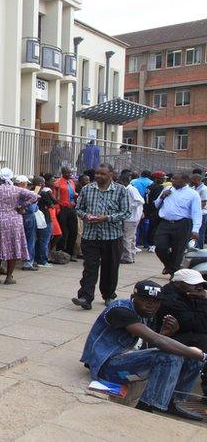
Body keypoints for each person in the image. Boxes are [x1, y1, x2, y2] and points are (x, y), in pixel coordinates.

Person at [80, 280, 205, 420]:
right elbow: (157, 342)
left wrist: (164, 334)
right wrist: (202, 355)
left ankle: (172, 401)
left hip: (128, 364)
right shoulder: (119, 310)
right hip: (107, 367)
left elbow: (148, 348)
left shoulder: (146, 314)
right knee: (171, 357)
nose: (150, 305)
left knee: (190, 359)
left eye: (156, 301)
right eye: (145, 299)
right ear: (133, 298)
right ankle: (145, 407)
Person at [71, 164, 130, 310]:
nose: (98, 176)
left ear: (111, 174)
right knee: (90, 267)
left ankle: (109, 295)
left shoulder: (120, 190)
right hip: (90, 236)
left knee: (110, 267)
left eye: (102, 174)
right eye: (97, 173)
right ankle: (85, 297)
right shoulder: (87, 189)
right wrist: (86, 216)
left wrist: (107, 218)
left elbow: (126, 212)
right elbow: (78, 209)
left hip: (112, 236)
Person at [154, 269, 207, 397]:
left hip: (187, 334)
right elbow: (200, 325)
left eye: (200, 284)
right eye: (193, 284)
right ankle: (178, 398)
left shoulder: (189, 294)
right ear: (178, 284)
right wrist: (204, 300)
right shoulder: (170, 299)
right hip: (170, 337)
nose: (199, 287)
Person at [0, 172, 38, 284]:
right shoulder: (17, 189)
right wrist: (22, 206)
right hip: (15, 220)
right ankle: (8, 277)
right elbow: (35, 196)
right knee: (13, 248)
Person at [154, 170, 200, 276]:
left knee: (178, 250)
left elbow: (196, 213)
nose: (173, 181)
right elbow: (156, 205)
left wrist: (196, 229)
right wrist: (162, 196)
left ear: (185, 180)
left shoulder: (193, 194)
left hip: (182, 224)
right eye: (172, 179)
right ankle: (170, 266)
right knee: (160, 247)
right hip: (165, 223)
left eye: (176, 179)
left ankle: (174, 273)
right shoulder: (167, 189)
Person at [31, 176, 56, 268]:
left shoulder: (31, 192)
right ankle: (42, 260)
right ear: (40, 184)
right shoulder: (44, 193)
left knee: (36, 240)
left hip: (34, 218)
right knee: (44, 240)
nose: (44, 184)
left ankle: (35, 259)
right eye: (43, 183)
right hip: (44, 218)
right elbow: (52, 205)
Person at [16, 176, 40, 271]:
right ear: (22, 183)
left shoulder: (14, 191)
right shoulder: (26, 193)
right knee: (30, 240)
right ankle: (27, 263)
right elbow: (32, 209)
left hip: (18, 217)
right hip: (28, 217)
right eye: (26, 183)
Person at [119, 172, 144, 265]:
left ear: (124, 182)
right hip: (131, 217)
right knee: (132, 237)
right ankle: (131, 255)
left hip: (131, 217)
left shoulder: (131, 189)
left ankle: (127, 257)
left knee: (126, 238)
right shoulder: (127, 189)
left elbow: (140, 201)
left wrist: (128, 206)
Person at [54, 167, 79, 261]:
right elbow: (55, 197)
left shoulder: (71, 182)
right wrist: (58, 210)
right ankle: (60, 252)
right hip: (63, 209)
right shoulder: (57, 183)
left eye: (71, 173)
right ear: (63, 173)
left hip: (72, 208)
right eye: (68, 173)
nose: (70, 174)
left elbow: (72, 193)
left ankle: (70, 253)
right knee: (63, 232)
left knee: (73, 231)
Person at [143, 171, 167, 252]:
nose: (163, 180)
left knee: (150, 227)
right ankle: (152, 244)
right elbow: (157, 201)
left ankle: (150, 244)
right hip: (155, 210)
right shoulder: (159, 187)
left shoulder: (149, 186)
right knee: (155, 228)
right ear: (156, 179)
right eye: (162, 178)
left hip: (147, 209)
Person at [193, 170, 207, 249]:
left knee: (200, 232)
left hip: (201, 214)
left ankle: (199, 248)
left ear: (197, 180)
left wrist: (196, 212)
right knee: (194, 231)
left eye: (193, 179)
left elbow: (204, 202)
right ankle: (193, 246)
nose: (191, 181)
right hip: (195, 213)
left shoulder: (204, 189)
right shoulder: (194, 187)